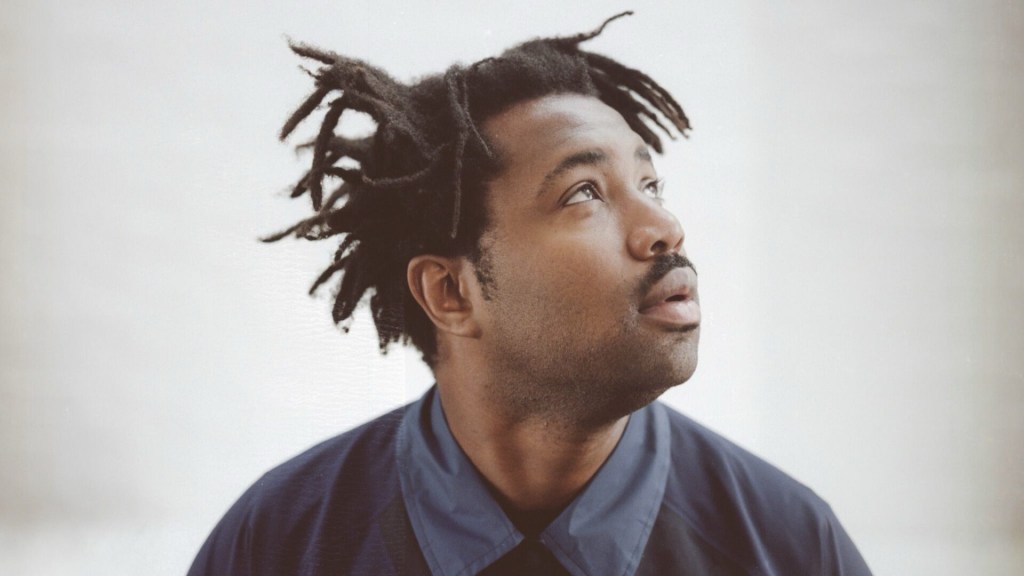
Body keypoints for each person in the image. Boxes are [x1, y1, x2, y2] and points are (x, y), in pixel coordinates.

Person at [188, 12, 872, 576]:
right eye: (584, 193)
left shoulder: (789, 548)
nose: (664, 228)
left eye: (650, 185)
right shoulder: (277, 545)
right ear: (450, 292)